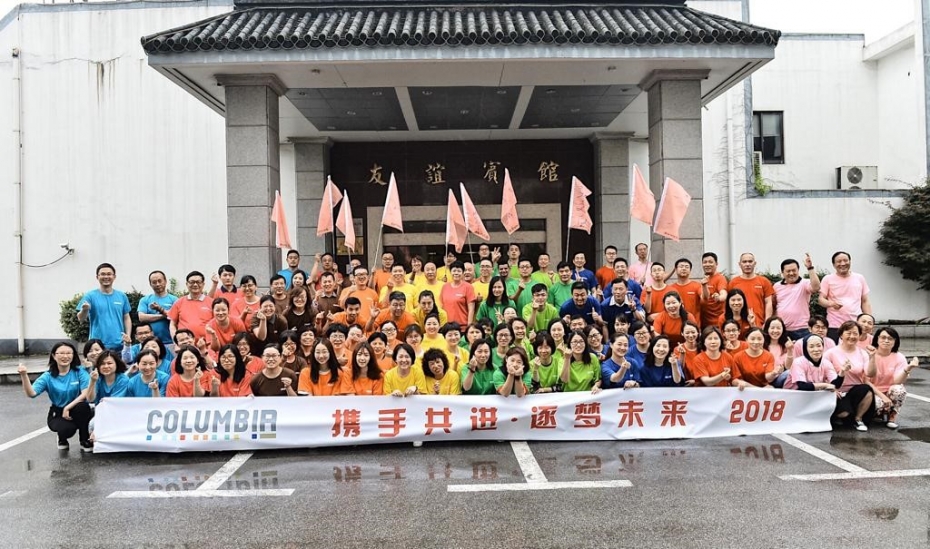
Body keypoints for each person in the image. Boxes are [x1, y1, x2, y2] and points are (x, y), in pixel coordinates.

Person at [17, 342, 93, 451]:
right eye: (61, 353)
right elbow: (31, 393)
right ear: (54, 355)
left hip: (76, 407)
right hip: (58, 411)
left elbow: (85, 393)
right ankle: (62, 438)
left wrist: (68, 407)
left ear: (73, 355)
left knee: (83, 408)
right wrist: (24, 375)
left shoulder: (79, 371)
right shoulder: (48, 376)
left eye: (69, 353)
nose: (65, 356)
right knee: (67, 429)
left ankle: (84, 439)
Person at [823, 320, 877, 431]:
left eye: (855, 333)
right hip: (836, 391)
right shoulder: (830, 353)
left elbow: (870, 373)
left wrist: (872, 357)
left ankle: (858, 418)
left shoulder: (862, 353)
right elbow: (823, 374)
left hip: (855, 391)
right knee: (844, 414)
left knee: (866, 389)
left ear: (859, 335)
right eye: (848, 333)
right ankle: (841, 416)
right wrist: (832, 388)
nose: (852, 336)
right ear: (841, 335)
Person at [870, 327, 918, 429]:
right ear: (877, 339)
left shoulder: (899, 357)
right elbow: (865, 381)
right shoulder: (870, 354)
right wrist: (883, 397)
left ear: (895, 341)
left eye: (890, 338)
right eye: (883, 337)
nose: (886, 341)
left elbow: (897, 381)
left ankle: (892, 417)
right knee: (877, 404)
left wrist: (908, 368)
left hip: (890, 391)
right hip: (873, 391)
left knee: (899, 390)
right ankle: (879, 413)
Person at [76, 263, 131, 350]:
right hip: (97, 346)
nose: (106, 277)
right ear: (97, 277)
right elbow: (81, 319)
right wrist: (84, 310)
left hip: (119, 345)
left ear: (114, 276)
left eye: (109, 274)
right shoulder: (90, 296)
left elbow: (126, 317)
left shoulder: (122, 296)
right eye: (103, 274)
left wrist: (128, 335)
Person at [818, 251, 872, 341]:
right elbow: (820, 299)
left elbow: (865, 301)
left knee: (856, 349)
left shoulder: (859, 278)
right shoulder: (828, 279)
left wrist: (869, 321)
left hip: (856, 324)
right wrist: (831, 303)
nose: (843, 263)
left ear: (850, 262)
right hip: (835, 325)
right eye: (839, 261)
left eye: (845, 260)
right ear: (834, 264)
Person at [774, 255, 820, 339]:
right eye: (788, 271)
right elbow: (773, 305)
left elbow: (816, 287)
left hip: (801, 329)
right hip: (781, 329)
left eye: (794, 270)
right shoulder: (776, 286)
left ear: (798, 270)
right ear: (782, 272)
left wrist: (810, 268)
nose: (791, 273)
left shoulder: (804, 283)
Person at [167, 271, 214, 341]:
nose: (195, 284)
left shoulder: (212, 302)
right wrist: (176, 342)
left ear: (203, 284)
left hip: (207, 344)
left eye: (198, 282)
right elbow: (172, 325)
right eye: (192, 282)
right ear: (187, 284)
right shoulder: (179, 302)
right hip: (185, 344)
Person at [727, 253, 775, 322]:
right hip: (738, 324)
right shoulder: (733, 283)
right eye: (744, 262)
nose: (747, 264)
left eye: (750, 261)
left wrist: (767, 322)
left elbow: (768, 302)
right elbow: (728, 303)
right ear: (739, 264)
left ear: (754, 263)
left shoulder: (764, 281)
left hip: (759, 324)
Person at [137, 270, 178, 346]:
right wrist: (164, 316)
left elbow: (176, 317)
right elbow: (141, 317)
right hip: (150, 343)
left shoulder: (174, 300)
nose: (157, 284)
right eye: (154, 282)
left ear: (165, 281)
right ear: (150, 284)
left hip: (170, 341)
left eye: (160, 281)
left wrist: (161, 311)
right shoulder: (145, 300)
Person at [439, 261, 477, 326]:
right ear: (450, 272)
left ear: (463, 272)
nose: (456, 273)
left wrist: (469, 326)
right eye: (454, 271)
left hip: (462, 326)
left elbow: (471, 309)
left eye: (459, 271)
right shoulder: (445, 287)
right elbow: (441, 306)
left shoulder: (468, 287)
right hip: (446, 326)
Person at [669, 258, 702, 328]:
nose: (684, 269)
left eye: (687, 267)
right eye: (681, 266)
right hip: (676, 326)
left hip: (693, 326)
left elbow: (704, 297)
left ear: (690, 270)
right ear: (676, 270)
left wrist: (704, 286)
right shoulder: (670, 288)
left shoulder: (697, 286)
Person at [699, 252, 728, 329]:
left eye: (710, 262)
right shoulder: (704, 280)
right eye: (705, 262)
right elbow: (705, 297)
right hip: (704, 323)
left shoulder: (720, 278)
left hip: (717, 323)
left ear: (716, 264)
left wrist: (719, 298)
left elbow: (724, 294)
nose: (707, 264)